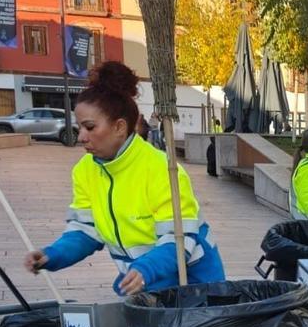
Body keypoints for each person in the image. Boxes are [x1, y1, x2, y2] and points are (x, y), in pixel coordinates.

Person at [24, 61, 225, 295]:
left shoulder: (162, 168)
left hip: (193, 283)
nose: (82, 137)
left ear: (120, 127)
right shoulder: (84, 170)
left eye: (90, 127)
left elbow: (179, 238)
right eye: (80, 128)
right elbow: (86, 230)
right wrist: (53, 255)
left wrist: (145, 269)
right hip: (142, 281)